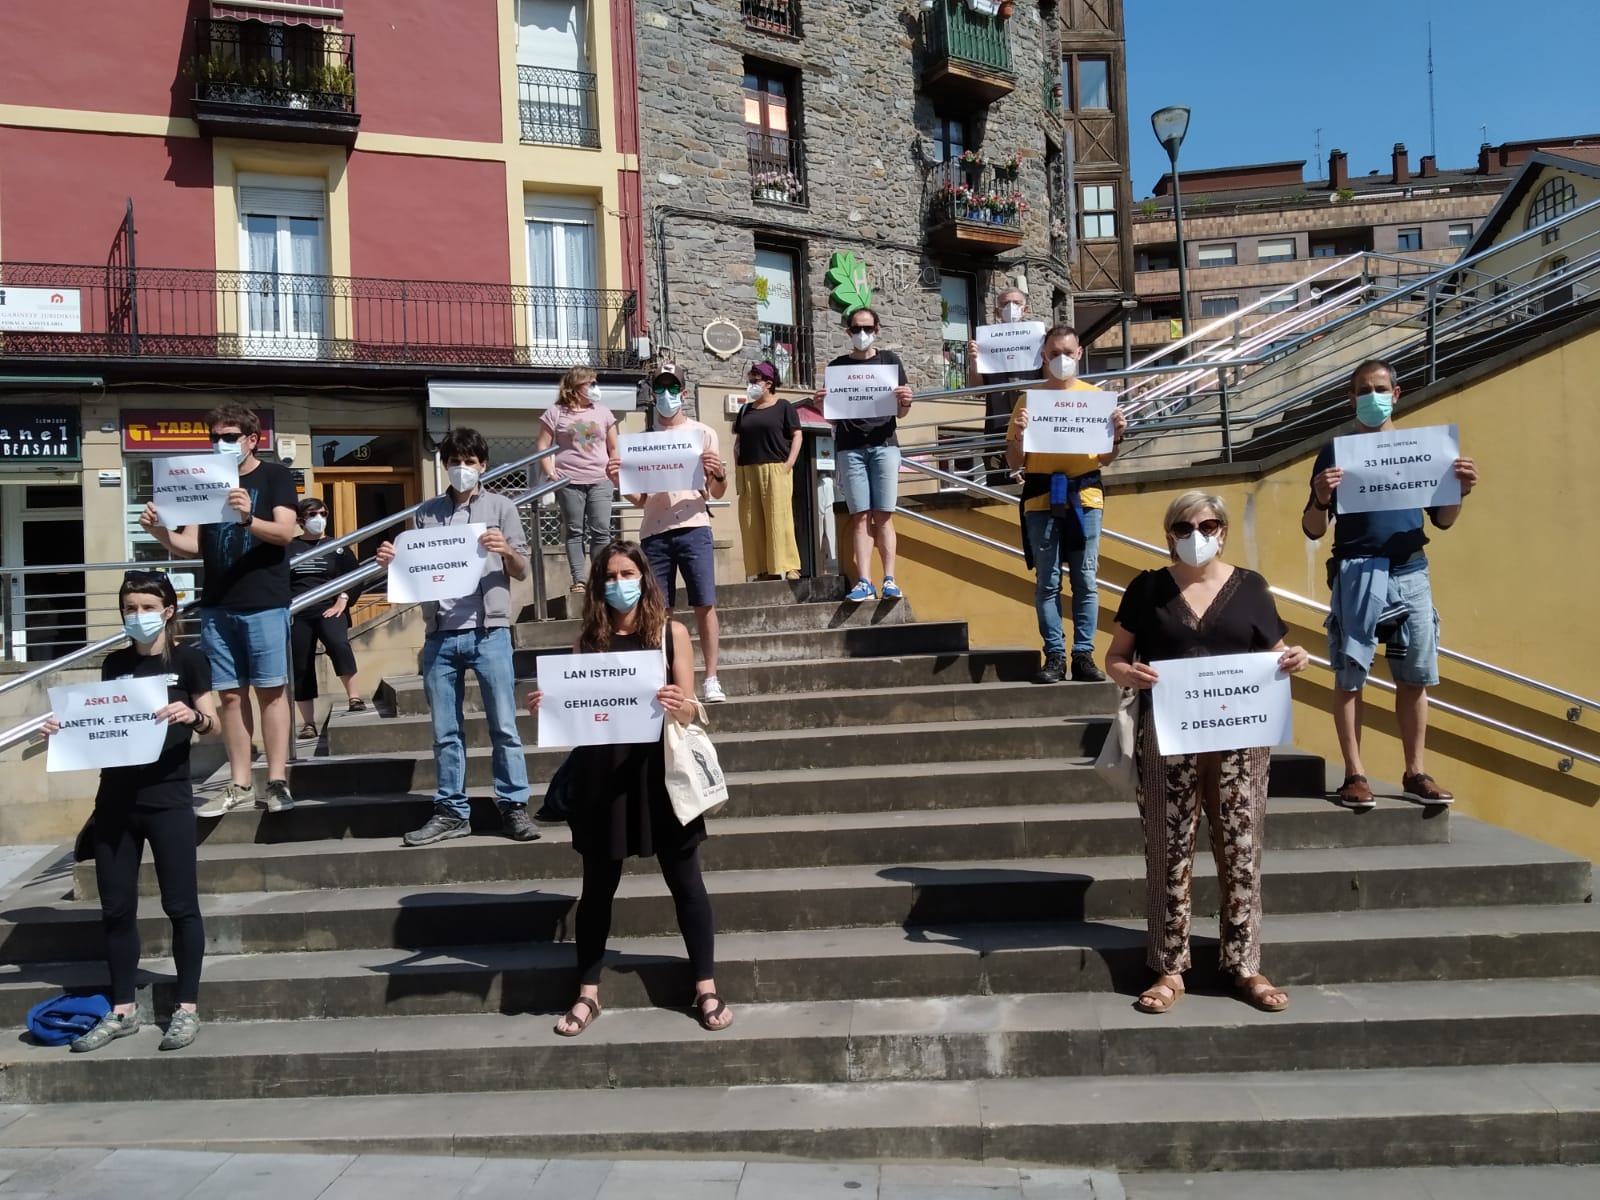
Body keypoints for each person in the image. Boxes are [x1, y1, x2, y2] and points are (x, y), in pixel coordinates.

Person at [1105, 492, 1310, 1016]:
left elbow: (1274, 653)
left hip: (1241, 739)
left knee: (1242, 848)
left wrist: (1292, 659)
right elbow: (1115, 657)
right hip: (1168, 737)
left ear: (1223, 531)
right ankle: (1169, 966)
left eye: (1209, 525)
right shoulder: (1147, 588)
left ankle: (1244, 963)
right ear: (1169, 533)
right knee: (1168, 850)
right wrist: (1130, 673)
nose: (1197, 535)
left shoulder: (1252, 588)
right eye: (1184, 527)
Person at [526, 540, 731, 1037]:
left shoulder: (670, 633)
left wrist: (679, 702)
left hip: (660, 773)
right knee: (597, 889)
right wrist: (548, 707)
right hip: (603, 777)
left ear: (644, 578)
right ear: (599, 585)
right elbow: (580, 715)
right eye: (610, 576)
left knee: (686, 882)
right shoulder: (587, 640)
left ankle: (705, 986)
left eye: (627, 573)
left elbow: (691, 710)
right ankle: (587, 992)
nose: (619, 583)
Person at [41, 572, 219, 1052]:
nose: (137, 615)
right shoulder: (114, 663)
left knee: (181, 906)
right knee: (116, 908)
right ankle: (122, 1009)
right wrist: (65, 728)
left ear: (167, 611)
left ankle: (186, 1007)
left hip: (168, 800)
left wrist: (194, 716)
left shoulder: (190, 660)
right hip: (116, 801)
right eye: (129, 607)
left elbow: (216, 725)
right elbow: (103, 722)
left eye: (146, 607)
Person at [1302, 358, 1478, 809]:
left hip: (1410, 571)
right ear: (1351, 398)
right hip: (1356, 571)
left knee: (1415, 676)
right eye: (1363, 390)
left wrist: (1460, 491)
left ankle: (1415, 771)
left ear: (1396, 395)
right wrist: (1321, 498)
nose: (1373, 397)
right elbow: (1313, 529)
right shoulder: (1335, 452)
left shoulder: (1425, 449)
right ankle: (1355, 774)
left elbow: (1443, 520)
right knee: (1350, 675)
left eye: (1380, 389)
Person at [375, 428, 537, 845]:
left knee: (504, 726)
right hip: (441, 635)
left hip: (489, 632)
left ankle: (513, 806)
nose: (462, 468)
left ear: (483, 465)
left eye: (469, 461)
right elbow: (415, 569)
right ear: (444, 465)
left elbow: (522, 570)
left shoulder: (502, 507)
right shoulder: (427, 513)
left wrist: (506, 550)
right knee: (445, 732)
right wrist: (391, 562)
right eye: (454, 461)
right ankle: (451, 811)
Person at [140, 403, 298, 817]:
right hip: (217, 604)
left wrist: (247, 518)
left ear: (252, 439)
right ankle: (240, 782)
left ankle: (277, 781)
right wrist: (158, 530)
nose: (220, 443)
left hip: (264, 601)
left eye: (229, 437)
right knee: (229, 696)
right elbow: (191, 545)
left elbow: (285, 532)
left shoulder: (275, 476)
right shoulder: (205, 477)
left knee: (271, 692)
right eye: (215, 437)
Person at [1005, 325, 1128, 684]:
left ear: (1079, 354)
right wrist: (1020, 435)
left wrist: (1117, 436)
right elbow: (1014, 461)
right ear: (1044, 357)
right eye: (1054, 353)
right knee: (1048, 581)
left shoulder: (1096, 398)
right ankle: (1055, 655)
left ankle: (1083, 654)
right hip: (1041, 498)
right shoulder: (1028, 401)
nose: (1061, 359)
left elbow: (1105, 459)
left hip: (1085, 497)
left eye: (1067, 353)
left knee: (1086, 579)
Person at [612, 365, 729, 703]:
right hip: (655, 531)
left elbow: (717, 492)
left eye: (673, 388)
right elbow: (640, 499)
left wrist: (719, 474)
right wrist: (618, 480)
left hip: (694, 526)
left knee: (704, 603)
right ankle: (665, 676)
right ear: (652, 394)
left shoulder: (703, 433)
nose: (667, 395)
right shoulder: (643, 442)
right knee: (659, 610)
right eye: (660, 389)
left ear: (684, 393)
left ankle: (711, 677)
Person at [811, 307, 915, 603]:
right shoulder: (837, 366)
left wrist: (906, 401)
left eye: (867, 328)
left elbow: (901, 412)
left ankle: (890, 580)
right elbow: (833, 416)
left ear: (877, 330)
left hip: (885, 445)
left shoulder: (890, 361)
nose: (862, 334)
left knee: (883, 515)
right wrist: (820, 406)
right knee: (859, 516)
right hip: (850, 448)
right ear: (848, 332)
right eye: (856, 328)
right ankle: (865, 581)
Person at [537, 367, 619, 594]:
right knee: (574, 531)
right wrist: (550, 472)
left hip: (601, 479)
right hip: (568, 481)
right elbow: (542, 446)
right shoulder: (555, 412)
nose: (595, 387)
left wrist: (614, 471)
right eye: (590, 383)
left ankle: (600, 578)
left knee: (601, 530)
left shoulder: (604, 412)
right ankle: (579, 580)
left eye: (596, 383)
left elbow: (614, 447)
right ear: (575, 386)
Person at [289, 498, 365, 741]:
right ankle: (308, 723)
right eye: (312, 514)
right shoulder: (289, 547)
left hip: (330, 608)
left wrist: (343, 600)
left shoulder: (337, 547)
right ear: (301, 520)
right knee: (300, 664)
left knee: (338, 644)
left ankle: (354, 697)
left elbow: (355, 576)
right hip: (299, 612)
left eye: (323, 513)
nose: (319, 518)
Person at [733, 361, 802, 581]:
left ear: (769, 383)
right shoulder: (745, 410)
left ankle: (790, 566)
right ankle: (762, 569)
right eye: (750, 380)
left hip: (776, 468)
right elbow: (738, 440)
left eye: (755, 381)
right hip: (748, 469)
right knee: (752, 522)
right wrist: (738, 465)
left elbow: (797, 435)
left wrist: (789, 463)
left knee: (779, 518)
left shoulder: (783, 406)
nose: (751, 385)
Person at [968, 285, 1036, 485]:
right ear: (997, 311)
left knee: (1033, 480)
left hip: (1031, 421)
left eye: (1016, 303)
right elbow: (977, 390)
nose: (1011, 307)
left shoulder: (1038, 340)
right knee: (998, 480)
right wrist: (974, 361)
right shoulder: (986, 343)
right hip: (997, 425)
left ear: (1025, 309)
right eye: (1005, 304)